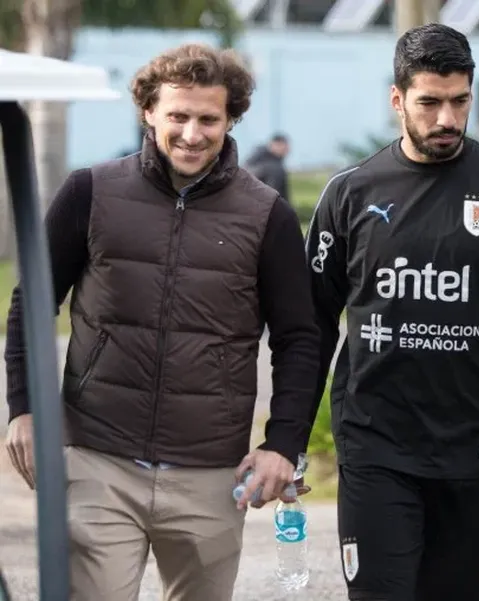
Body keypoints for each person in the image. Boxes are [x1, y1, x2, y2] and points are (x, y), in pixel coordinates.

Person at [2, 43, 320, 600]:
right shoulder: (90, 191)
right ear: (148, 110)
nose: (192, 134)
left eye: (208, 119)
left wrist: (282, 444)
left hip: (211, 473)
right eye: (178, 115)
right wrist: (25, 406)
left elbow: (299, 339)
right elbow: (32, 301)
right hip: (99, 458)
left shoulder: (266, 213)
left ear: (231, 119)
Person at [305, 23, 479, 601]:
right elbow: (309, 324)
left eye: (460, 102)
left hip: (475, 455)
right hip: (376, 447)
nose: (447, 119)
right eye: (430, 102)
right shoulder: (350, 193)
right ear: (397, 99)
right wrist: (288, 437)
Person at [245, 132, 291, 200]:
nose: (287, 150)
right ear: (275, 145)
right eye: (284, 147)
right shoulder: (275, 167)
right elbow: (275, 196)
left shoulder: (253, 161)